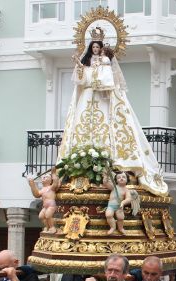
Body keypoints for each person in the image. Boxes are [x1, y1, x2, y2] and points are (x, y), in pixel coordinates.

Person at [61, 34, 168, 196]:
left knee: (105, 126)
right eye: (93, 47)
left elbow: (108, 79)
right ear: (90, 48)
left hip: (102, 97)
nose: (96, 50)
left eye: (98, 47)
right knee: (82, 125)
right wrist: (80, 68)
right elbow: (80, 81)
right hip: (87, 97)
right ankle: (81, 161)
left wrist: (99, 76)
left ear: (101, 48)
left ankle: (108, 159)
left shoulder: (105, 62)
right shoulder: (86, 63)